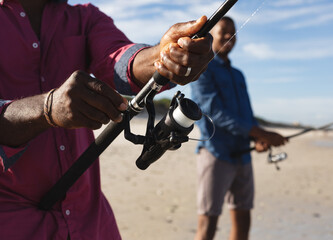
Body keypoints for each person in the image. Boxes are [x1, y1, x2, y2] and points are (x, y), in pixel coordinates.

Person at [0, 0, 213, 239]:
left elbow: (119, 59)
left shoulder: (85, 17)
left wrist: (164, 56)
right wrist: (46, 109)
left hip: (91, 221)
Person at [190, 16, 288, 240]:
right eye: (223, 31)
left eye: (233, 32)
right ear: (209, 34)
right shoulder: (202, 69)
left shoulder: (238, 75)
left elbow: (247, 114)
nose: (228, 37)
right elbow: (214, 112)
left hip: (243, 156)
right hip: (216, 153)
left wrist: (258, 139)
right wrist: (262, 133)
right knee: (208, 222)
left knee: (243, 220)